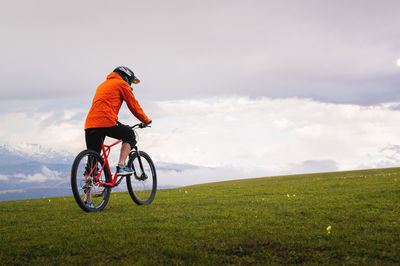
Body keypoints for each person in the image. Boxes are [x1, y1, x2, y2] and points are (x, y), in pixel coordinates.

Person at [84, 66, 152, 176]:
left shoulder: (102, 85)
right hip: (106, 121)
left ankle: (86, 191)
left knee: (92, 161)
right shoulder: (121, 84)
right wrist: (145, 120)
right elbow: (134, 106)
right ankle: (121, 166)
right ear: (125, 77)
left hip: (90, 124)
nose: (130, 84)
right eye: (130, 81)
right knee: (129, 134)